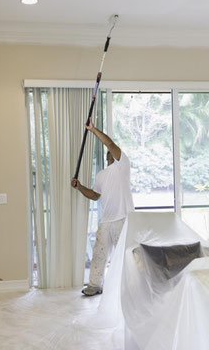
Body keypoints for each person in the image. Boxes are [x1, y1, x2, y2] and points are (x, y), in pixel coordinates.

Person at [71, 119, 134, 296]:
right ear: (107, 157)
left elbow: (110, 143)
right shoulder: (101, 175)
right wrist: (79, 187)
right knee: (99, 254)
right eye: (109, 153)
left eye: (112, 150)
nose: (110, 152)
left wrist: (93, 130)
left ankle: (127, 287)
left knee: (124, 255)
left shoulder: (123, 165)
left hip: (123, 218)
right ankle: (94, 285)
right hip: (106, 220)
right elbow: (94, 195)